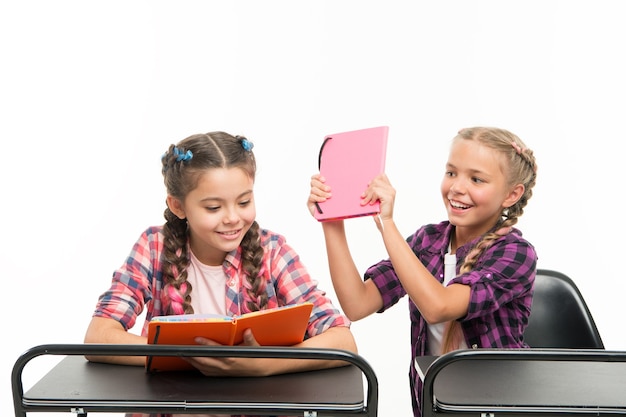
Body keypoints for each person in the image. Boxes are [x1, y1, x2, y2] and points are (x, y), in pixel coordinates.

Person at [85, 131, 357, 417]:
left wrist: (263, 365)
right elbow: (98, 337)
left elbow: (342, 340)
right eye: (213, 207)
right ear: (178, 206)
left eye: (243, 202)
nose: (232, 217)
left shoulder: (272, 251)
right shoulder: (154, 247)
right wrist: (185, 355)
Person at [307, 126, 538, 417]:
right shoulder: (428, 242)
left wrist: (387, 224)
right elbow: (357, 304)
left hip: (498, 407)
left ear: (511, 194)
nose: (457, 187)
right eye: (452, 173)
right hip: (435, 406)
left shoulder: (516, 253)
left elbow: (439, 306)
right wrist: (331, 217)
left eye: (476, 179)